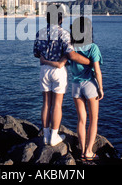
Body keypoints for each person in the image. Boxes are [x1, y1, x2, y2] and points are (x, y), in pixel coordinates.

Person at [40, 16, 103, 161]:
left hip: (76, 87)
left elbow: (61, 64)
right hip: (90, 85)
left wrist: (44, 61)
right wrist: (101, 88)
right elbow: (97, 71)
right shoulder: (93, 47)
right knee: (93, 119)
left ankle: (81, 150)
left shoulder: (71, 47)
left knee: (81, 119)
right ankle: (88, 152)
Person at [33, 7, 91, 146]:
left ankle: (46, 136)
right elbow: (71, 54)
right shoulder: (64, 34)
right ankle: (54, 136)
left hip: (44, 69)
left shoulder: (40, 33)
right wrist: (89, 62)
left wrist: (45, 58)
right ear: (60, 19)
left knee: (46, 103)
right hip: (58, 70)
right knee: (57, 104)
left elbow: (36, 53)